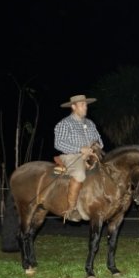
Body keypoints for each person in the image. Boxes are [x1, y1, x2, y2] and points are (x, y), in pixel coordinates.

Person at [53, 94, 104, 222]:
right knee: (80, 174)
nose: (86, 107)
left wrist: (96, 146)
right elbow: (59, 143)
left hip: (92, 155)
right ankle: (71, 209)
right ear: (74, 107)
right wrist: (80, 149)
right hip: (71, 156)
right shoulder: (64, 124)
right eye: (82, 105)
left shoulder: (90, 123)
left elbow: (100, 141)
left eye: (86, 105)